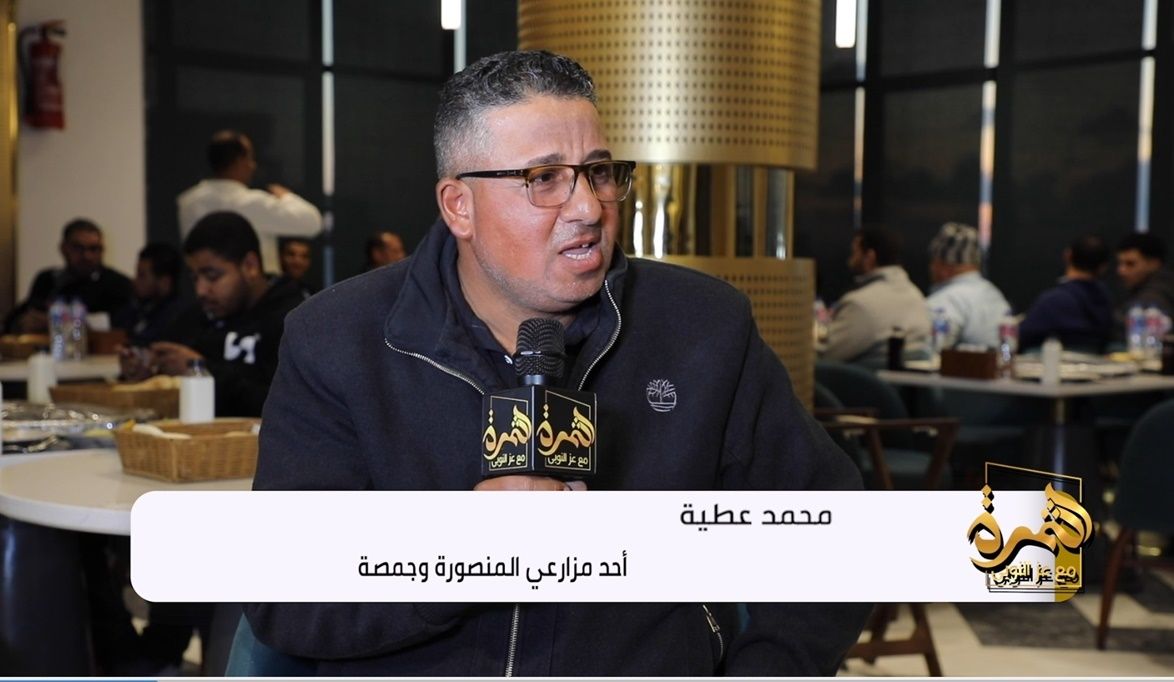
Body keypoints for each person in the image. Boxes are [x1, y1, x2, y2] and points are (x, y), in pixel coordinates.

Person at [243, 50, 868, 676]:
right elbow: (285, 595)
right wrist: (457, 556)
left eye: (598, 173)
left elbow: (834, 536)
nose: (589, 208)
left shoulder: (703, 327)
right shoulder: (339, 340)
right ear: (459, 206)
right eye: (544, 178)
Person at [120, 211, 305, 417]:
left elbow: (289, 407)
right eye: (195, 278)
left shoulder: (293, 321)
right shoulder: (197, 316)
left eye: (212, 276)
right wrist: (147, 368)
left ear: (250, 266)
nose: (201, 290)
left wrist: (201, 371)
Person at [177, 130, 322, 274]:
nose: (253, 166)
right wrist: (286, 196)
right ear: (239, 161)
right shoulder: (252, 203)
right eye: (250, 158)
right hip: (250, 286)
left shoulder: (188, 202)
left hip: (205, 284)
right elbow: (312, 222)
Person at [822, 227, 931, 366]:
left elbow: (826, 355)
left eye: (854, 253)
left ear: (869, 257)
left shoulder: (859, 304)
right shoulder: (916, 296)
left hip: (859, 379)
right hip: (902, 379)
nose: (850, 260)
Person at [4, 218, 133, 333]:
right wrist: (22, 323)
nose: (87, 256)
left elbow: (119, 328)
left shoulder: (118, 285)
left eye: (94, 249)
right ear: (63, 248)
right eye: (79, 248)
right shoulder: (48, 280)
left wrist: (57, 323)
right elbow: (17, 317)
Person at [1018, 235, 1114, 352]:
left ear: (1068, 255)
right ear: (1103, 267)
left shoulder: (1053, 302)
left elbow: (1019, 339)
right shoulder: (1105, 300)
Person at [925, 222, 1009, 349]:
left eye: (933, 262)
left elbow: (932, 349)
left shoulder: (945, 300)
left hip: (964, 363)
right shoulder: (994, 294)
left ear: (943, 267)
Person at [112, 243, 187, 346]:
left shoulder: (177, 318)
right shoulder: (135, 308)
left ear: (165, 282)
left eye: (142, 276)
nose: (135, 281)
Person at [1115, 232, 1174, 317]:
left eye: (1130, 264)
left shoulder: (1149, 303)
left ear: (1153, 263)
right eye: (1120, 263)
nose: (1121, 271)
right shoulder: (1164, 289)